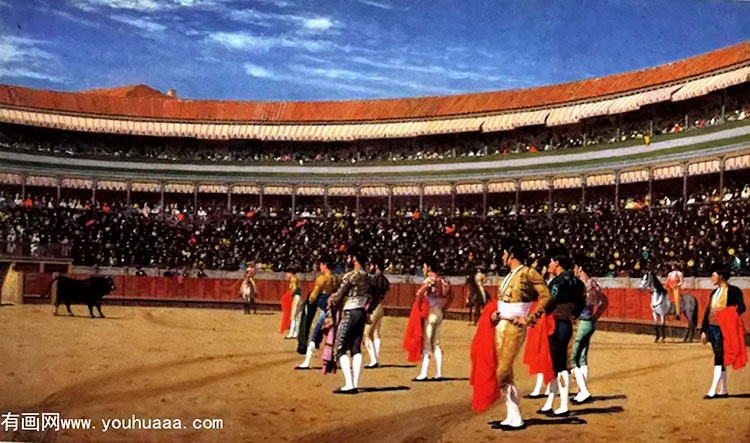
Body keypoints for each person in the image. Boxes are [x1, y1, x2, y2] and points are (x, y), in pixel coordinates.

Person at [470, 240, 551, 431]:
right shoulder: (509, 275)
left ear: (511, 254)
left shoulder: (529, 272)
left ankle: (517, 417)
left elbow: (546, 296)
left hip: (515, 326)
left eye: (504, 253)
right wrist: (493, 315)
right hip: (501, 324)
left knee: (502, 372)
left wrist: (530, 319)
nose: (502, 256)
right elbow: (502, 302)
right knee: (504, 372)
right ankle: (512, 417)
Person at [538, 255, 585, 416]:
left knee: (559, 365)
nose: (549, 264)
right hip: (566, 323)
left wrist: (538, 313)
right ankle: (549, 403)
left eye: (550, 262)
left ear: (557, 263)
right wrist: (574, 314)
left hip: (556, 324)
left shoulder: (557, 282)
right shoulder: (577, 282)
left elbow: (550, 302)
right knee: (555, 364)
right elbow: (582, 303)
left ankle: (564, 405)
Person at [326, 246, 372, 393]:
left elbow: (339, 296)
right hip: (361, 312)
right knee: (356, 347)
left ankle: (349, 385)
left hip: (350, 312)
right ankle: (355, 383)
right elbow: (374, 296)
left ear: (354, 259)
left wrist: (331, 303)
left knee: (339, 349)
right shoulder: (368, 277)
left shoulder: (350, 276)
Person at [700, 263, 747, 399]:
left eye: (713, 275)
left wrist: (728, 314)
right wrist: (704, 330)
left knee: (719, 356)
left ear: (721, 276)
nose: (711, 278)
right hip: (713, 327)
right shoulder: (714, 293)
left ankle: (713, 390)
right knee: (719, 355)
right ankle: (724, 390)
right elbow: (708, 312)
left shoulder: (734, 291)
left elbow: (741, 308)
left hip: (724, 327)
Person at [405, 257, 452, 381]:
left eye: (424, 266)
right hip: (439, 313)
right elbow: (451, 296)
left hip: (430, 314)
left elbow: (419, 293)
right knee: (436, 343)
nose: (423, 269)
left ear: (429, 267)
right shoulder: (445, 281)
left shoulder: (430, 279)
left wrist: (420, 307)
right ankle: (438, 373)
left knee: (427, 344)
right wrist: (444, 308)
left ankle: (424, 373)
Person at [570, 257, 608, 404]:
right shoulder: (594, 284)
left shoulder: (579, 284)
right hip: (589, 322)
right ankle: (581, 392)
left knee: (573, 359)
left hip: (580, 322)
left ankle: (584, 392)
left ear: (579, 268)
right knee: (582, 357)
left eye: (575, 267)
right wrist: (595, 317)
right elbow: (604, 302)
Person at [296, 256, 339, 369]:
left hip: (323, 310)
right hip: (334, 310)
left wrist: (310, 302)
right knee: (334, 335)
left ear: (325, 265)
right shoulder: (336, 279)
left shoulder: (322, 279)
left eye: (321, 264)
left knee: (314, 335)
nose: (320, 267)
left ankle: (307, 362)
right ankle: (336, 360)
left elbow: (313, 296)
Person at [364, 255, 390, 368]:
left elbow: (371, 296)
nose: (369, 267)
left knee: (366, 334)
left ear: (375, 266)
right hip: (380, 307)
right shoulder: (385, 280)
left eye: (371, 265)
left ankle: (374, 360)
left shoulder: (373, 280)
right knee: (376, 333)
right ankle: (376, 358)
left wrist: (368, 309)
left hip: (373, 307)